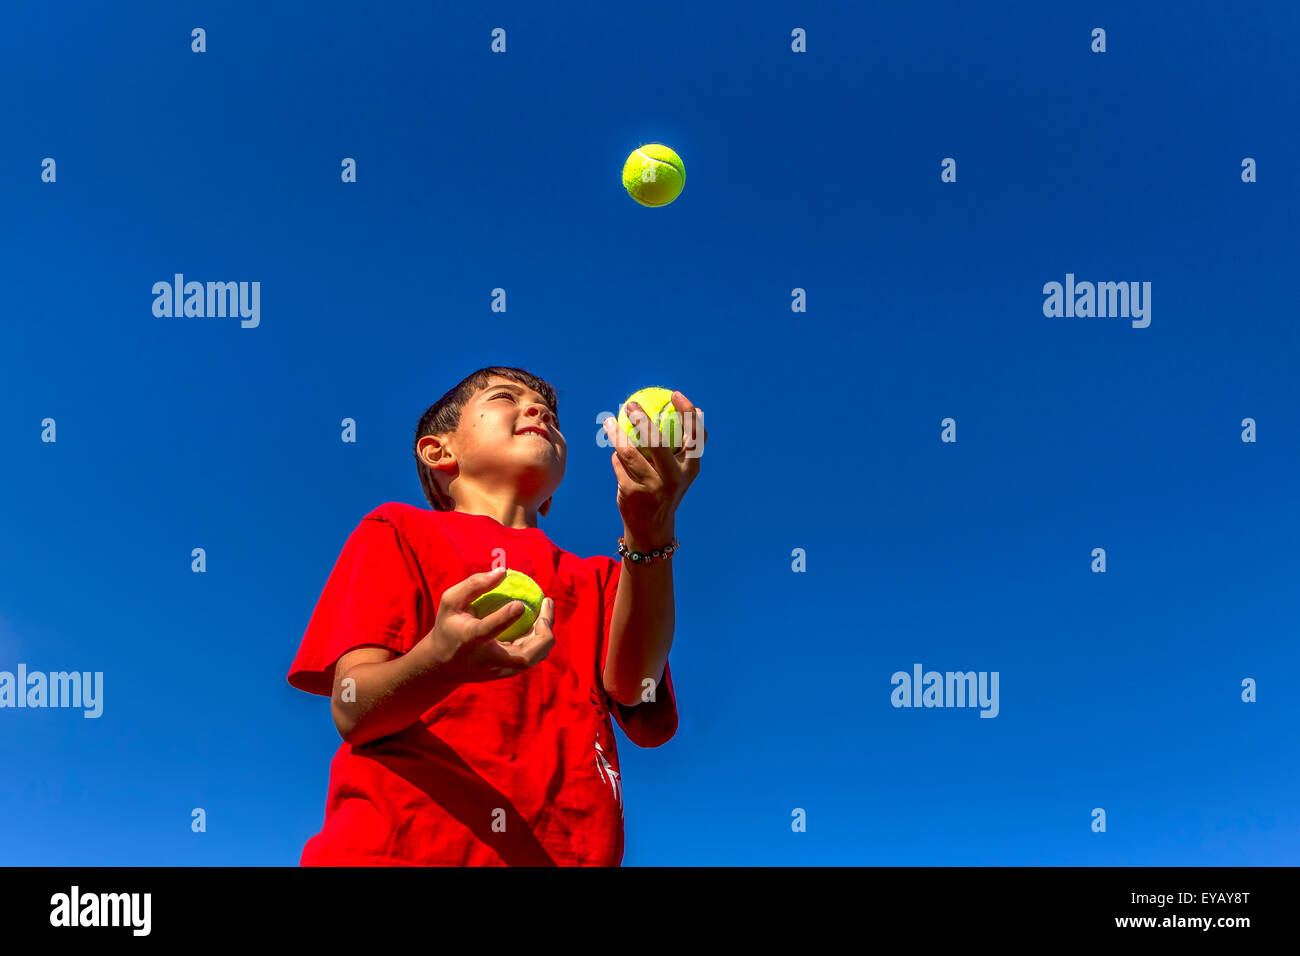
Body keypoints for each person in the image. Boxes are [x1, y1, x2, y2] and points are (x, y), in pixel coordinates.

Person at [286, 366, 707, 865]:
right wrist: (440, 662)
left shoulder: (605, 578)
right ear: (439, 452)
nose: (541, 411)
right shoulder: (396, 530)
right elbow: (353, 710)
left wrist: (650, 529)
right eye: (506, 397)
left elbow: (634, 687)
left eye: (551, 412)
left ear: (551, 496)